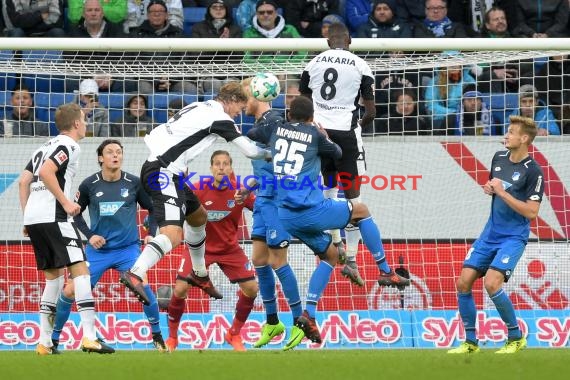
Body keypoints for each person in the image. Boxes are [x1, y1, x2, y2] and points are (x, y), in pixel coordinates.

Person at [248, 96, 410, 349]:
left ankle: (308, 315)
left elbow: (254, 132)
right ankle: (386, 270)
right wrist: (323, 134)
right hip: (311, 210)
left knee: (331, 256)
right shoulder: (314, 134)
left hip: (286, 215)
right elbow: (337, 153)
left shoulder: (275, 128)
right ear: (312, 117)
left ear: (289, 114)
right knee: (362, 210)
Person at [119, 82, 271, 306]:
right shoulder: (220, 118)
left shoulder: (200, 106)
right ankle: (135, 273)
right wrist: (273, 153)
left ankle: (199, 273)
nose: (239, 114)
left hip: (171, 171)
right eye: (239, 108)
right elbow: (250, 151)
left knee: (199, 217)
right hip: (163, 172)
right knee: (173, 235)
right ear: (231, 101)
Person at [50, 139, 166, 352]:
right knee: (69, 291)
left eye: (119, 152)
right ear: (100, 158)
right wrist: (90, 235)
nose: (116, 155)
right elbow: (74, 214)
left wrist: (151, 234)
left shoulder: (133, 182)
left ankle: (157, 336)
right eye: (110, 152)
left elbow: (153, 209)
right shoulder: (88, 185)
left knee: (143, 286)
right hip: (98, 252)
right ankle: (53, 340)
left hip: (128, 250)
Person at [18, 103, 114, 355]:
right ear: (75, 124)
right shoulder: (70, 145)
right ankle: (90, 337)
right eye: (84, 118)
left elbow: (23, 181)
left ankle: (44, 343)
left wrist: (27, 218)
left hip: (36, 219)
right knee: (81, 272)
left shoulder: (43, 146)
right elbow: (49, 172)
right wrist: (66, 201)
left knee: (54, 279)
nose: (86, 123)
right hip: (56, 217)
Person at [448, 115, 544, 355]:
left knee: (492, 283)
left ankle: (515, 338)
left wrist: (501, 192)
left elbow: (532, 212)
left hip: (513, 236)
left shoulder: (533, 171)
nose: (506, 135)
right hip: (490, 233)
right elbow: (494, 187)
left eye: (511, 132)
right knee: (463, 282)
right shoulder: (498, 157)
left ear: (524, 138)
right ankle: (470, 342)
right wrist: (489, 188)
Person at [299, 22, 376, 286]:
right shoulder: (360, 65)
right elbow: (371, 112)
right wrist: (356, 127)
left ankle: (335, 243)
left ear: (328, 41)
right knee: (355, 198)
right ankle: (352, 259)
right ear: (350, 40)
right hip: (346, 134)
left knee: (328, 190)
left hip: (319, 135)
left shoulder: (313, 63)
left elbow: (302, 103)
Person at [166, 151, 258, 352]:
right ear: (211, 168)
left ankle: (234, 333)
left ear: (231, 168)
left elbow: (259, 207)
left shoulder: (239, 191)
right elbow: (179, 208)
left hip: (229, 248)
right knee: (180, 289)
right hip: (199, 248)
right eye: (217, 164)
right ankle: (172, 338)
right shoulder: (199, 188)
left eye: (226, 164)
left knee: (252, 288)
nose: (221, 167)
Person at [237, 78, 303, 349]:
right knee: (259, 260)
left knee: (278, 261)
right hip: (263, 198)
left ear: (257, 95)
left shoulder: (274, 121)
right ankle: (273, 321)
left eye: (244, 97)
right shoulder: (260, 126)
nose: (242, 104)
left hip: (277, 200)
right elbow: (268, 162)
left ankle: (300, 321)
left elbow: (283, 161)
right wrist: (249, 186)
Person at [242, 0, 307, 64]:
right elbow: (247, 60)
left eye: (269, 12)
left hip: (288, 72)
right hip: (260, 73)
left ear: (276, 13)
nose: (265, 15)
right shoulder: (249, 33)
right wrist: (265, 72)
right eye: (261, 12)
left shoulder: (290, 30)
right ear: (257, 15)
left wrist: (285, 69)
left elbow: (302, 53)